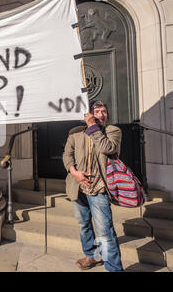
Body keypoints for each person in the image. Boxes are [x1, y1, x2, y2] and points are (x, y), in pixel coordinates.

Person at [62, 100, 124, 272]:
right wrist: (74, 172)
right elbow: (67, 155)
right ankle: (92, 255)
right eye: (97, 111)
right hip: (77, 186)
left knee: (105, 231)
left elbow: (108, 148)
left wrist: (92, 127)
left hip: (99, 188)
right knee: (84, 224)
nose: (101, 114)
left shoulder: (112, 131)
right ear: (89, 113)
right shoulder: (75, 133)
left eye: (104, 111)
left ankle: (114, 268)